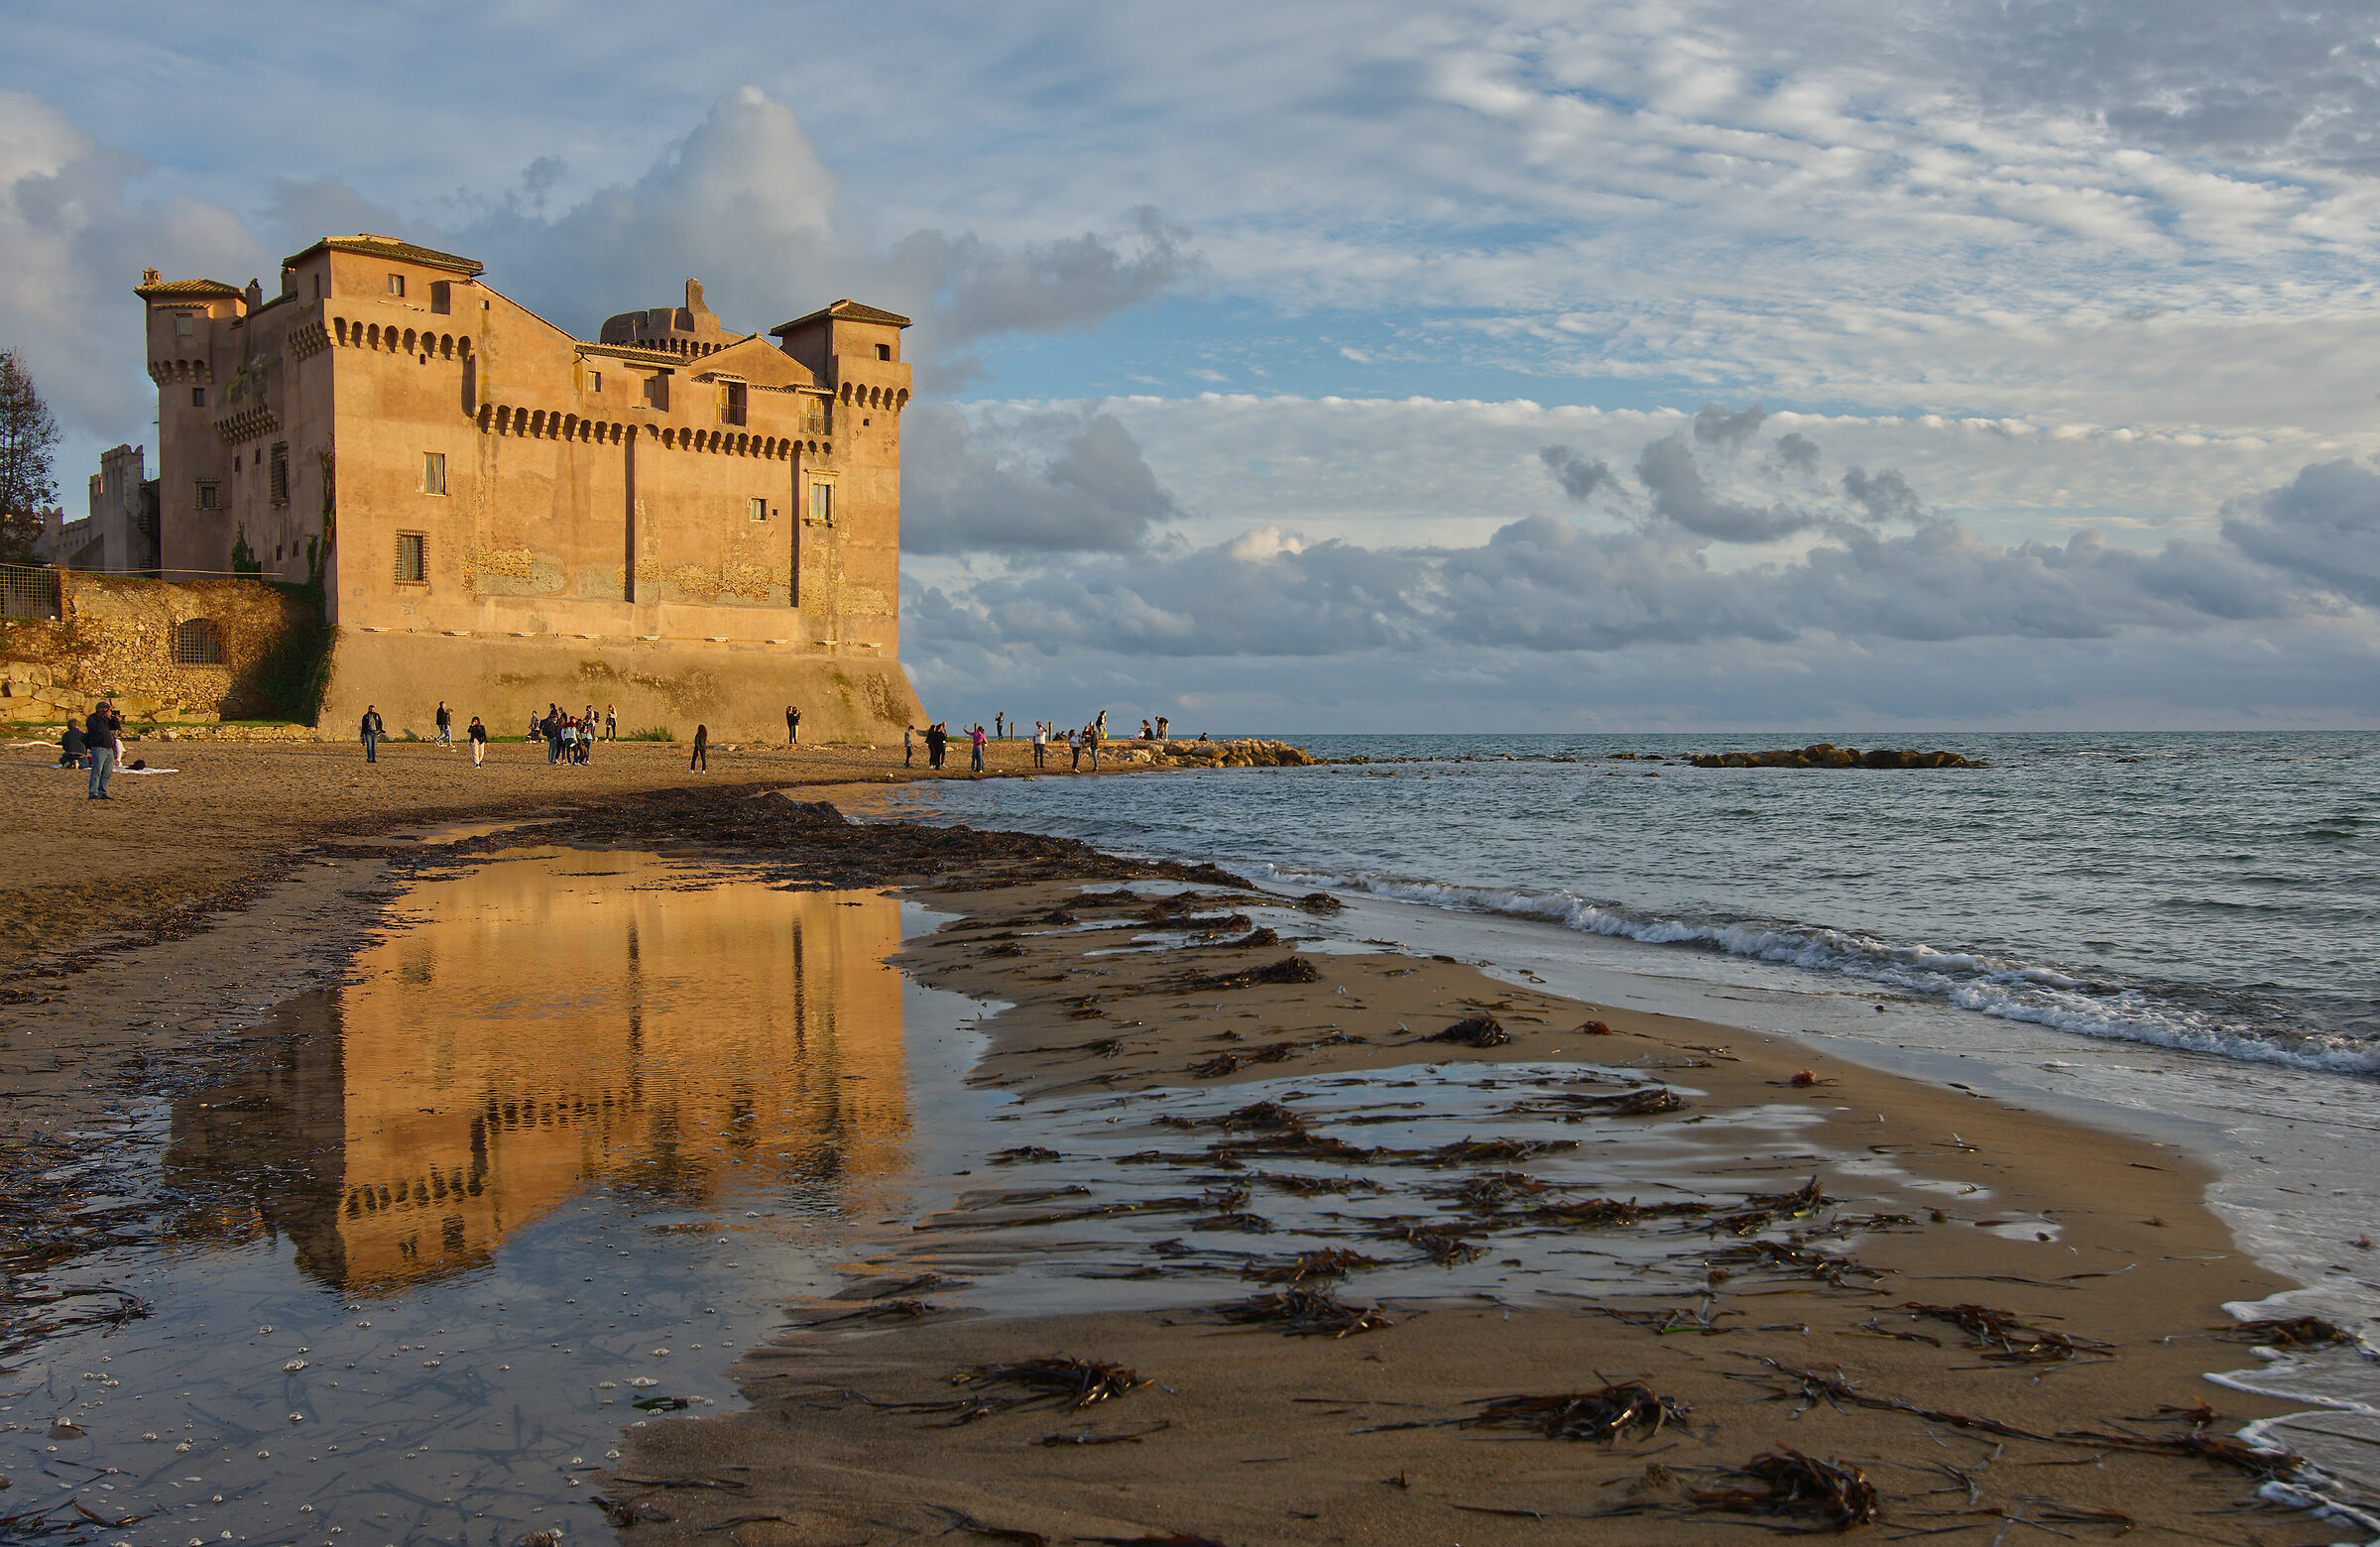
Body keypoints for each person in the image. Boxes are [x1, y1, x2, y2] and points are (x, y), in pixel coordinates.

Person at [84, 703, 118, 798]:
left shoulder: (106, 720)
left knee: (107, 772)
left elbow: (116, 727)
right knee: (97, 771)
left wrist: (113, 717)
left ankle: (103, 792)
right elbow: (98, 729)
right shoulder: (92, 719)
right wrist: (104, 718)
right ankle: (93, 792)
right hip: (98, 748)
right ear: (102, 710)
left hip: (108, 749)